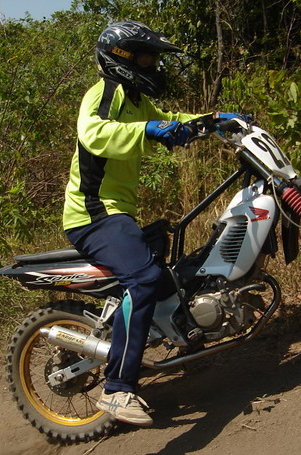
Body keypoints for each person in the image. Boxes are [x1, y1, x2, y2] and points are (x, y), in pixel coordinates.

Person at [62, 20, 242, 426]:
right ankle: (116, 389)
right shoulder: (106, 92)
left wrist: (214, 120)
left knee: (168, 279)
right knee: (143, 279)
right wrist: (149, 129)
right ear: (122, 59)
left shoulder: (135, 99)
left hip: (117, 212)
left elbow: (170, 118)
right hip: (92, 214)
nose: (154, 66)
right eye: (147, 59)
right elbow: (94, 133)